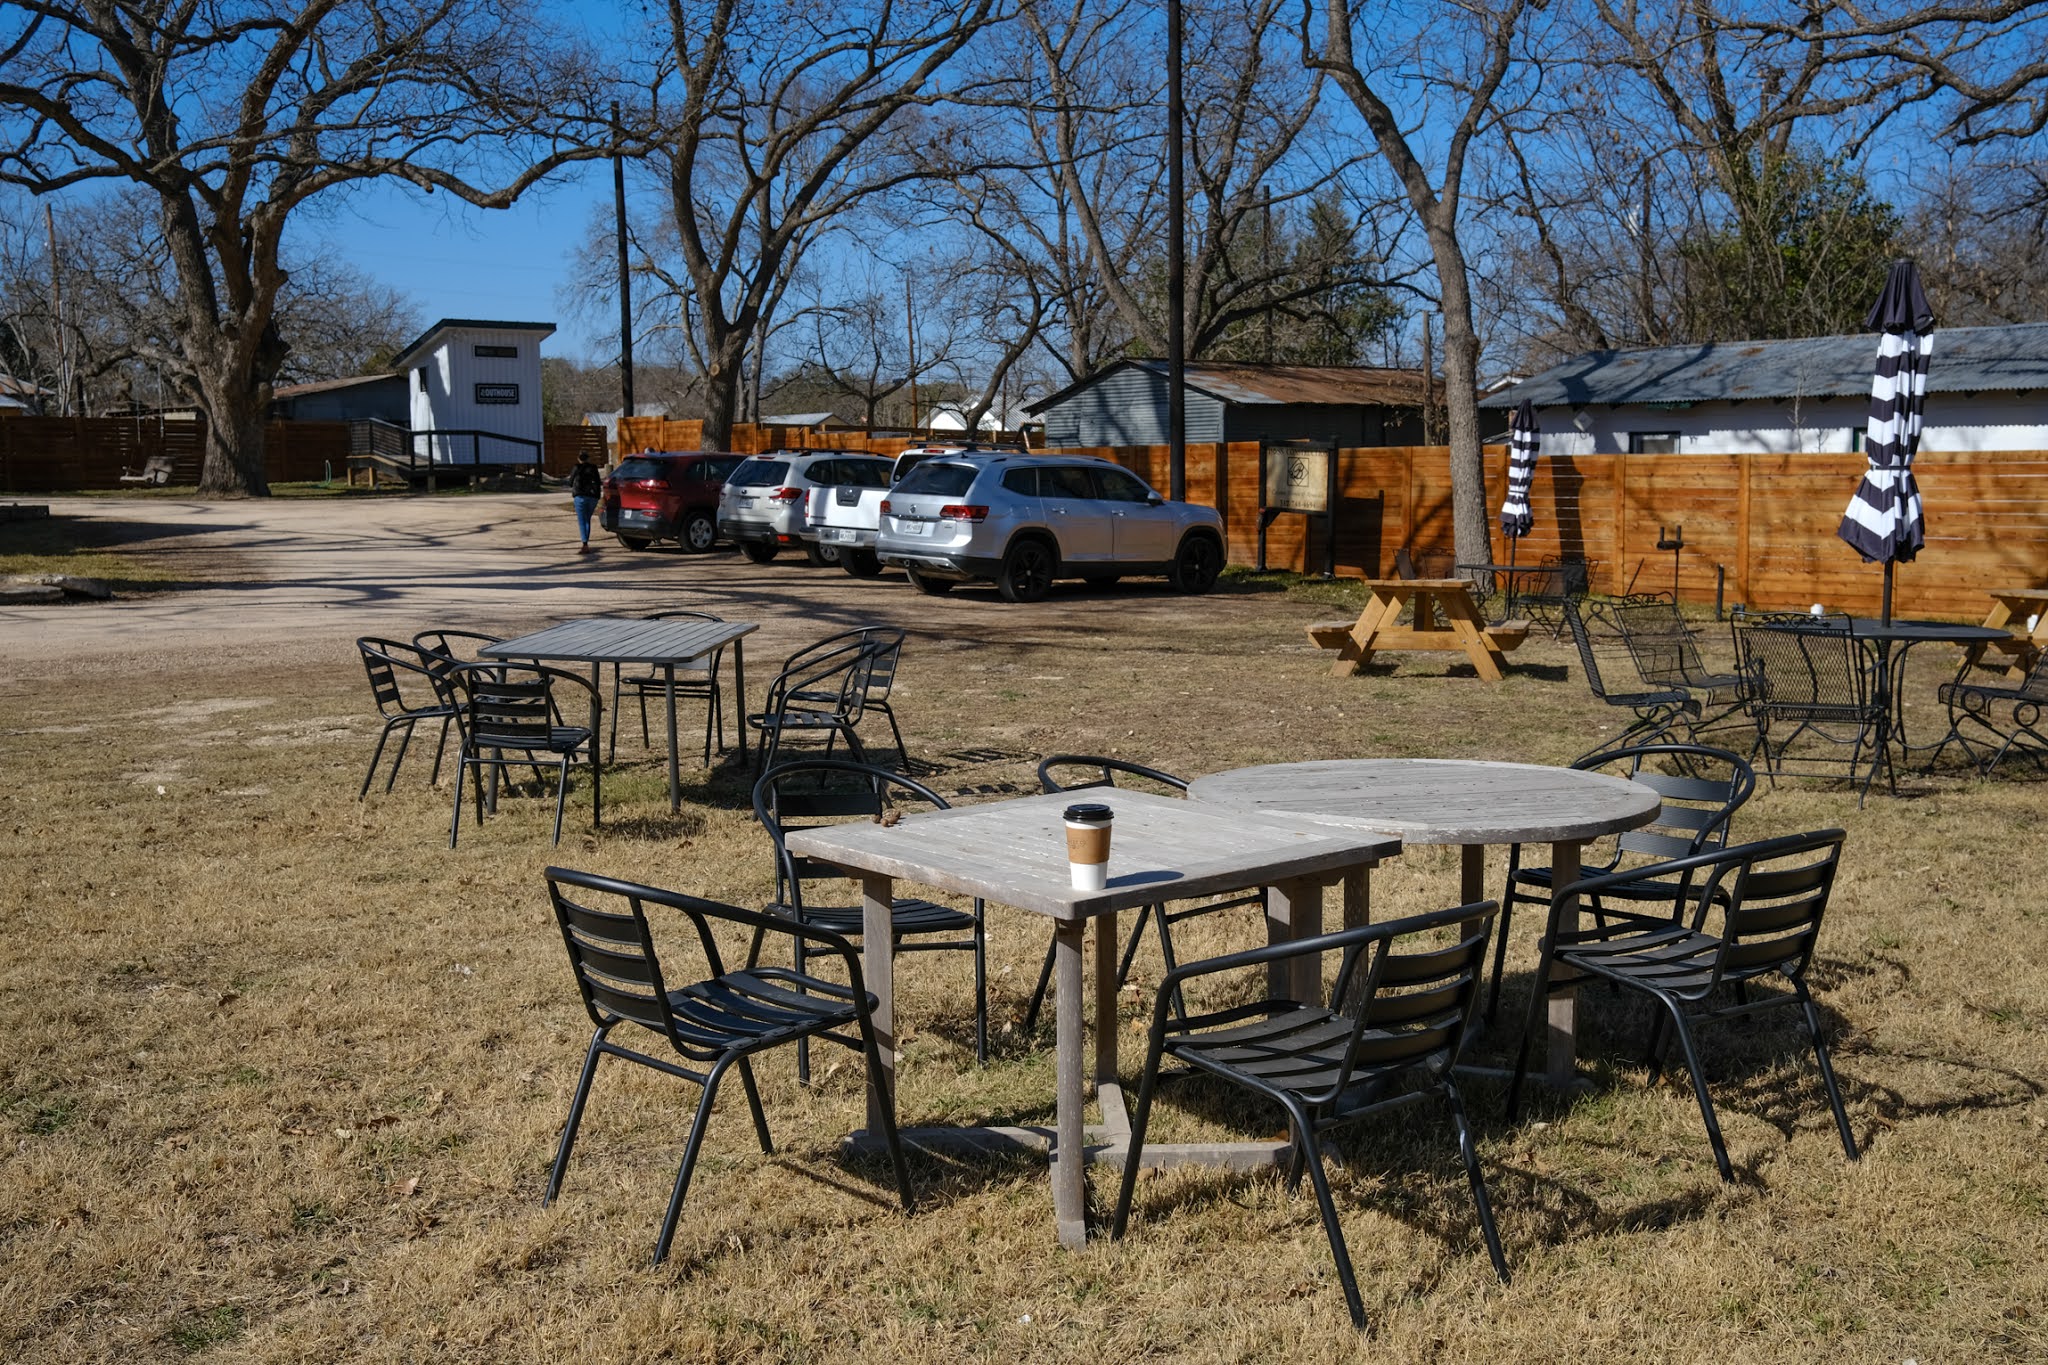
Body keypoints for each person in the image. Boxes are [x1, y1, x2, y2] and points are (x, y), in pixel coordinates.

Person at [569, 450, 604, 554]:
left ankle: (585, 544)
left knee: (582, 521)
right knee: (587, 519)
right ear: (588, 458)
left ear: (578, 458)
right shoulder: (594, 468)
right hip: (592, 497)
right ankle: (585, 543)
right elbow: (598, 482)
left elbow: (570, 482)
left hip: (580, 496)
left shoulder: (576, 467)